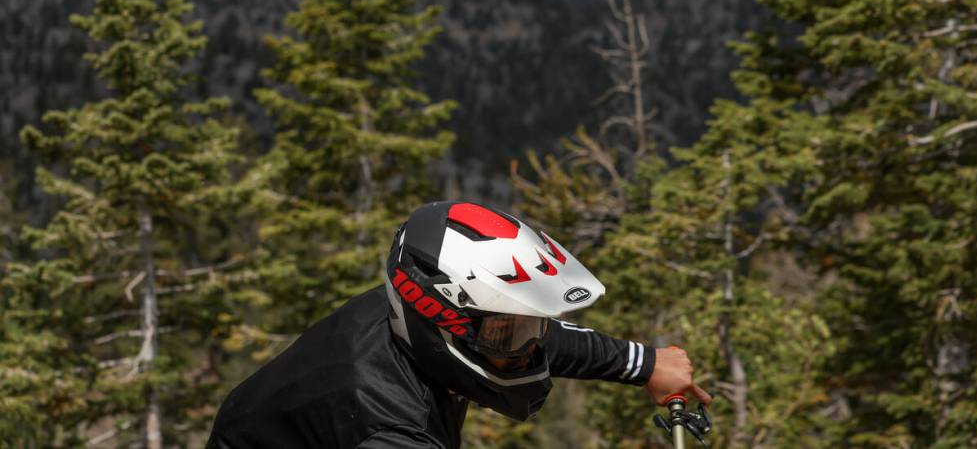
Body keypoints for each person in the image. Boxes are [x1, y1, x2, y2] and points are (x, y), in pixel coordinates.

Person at [207, 201, 711, 448]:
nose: (529, 347)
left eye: (525, 327)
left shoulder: (414, 315)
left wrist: (641, 364)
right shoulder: (392, 424)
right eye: (508, 334)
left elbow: (522, 333)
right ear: (443, 324)